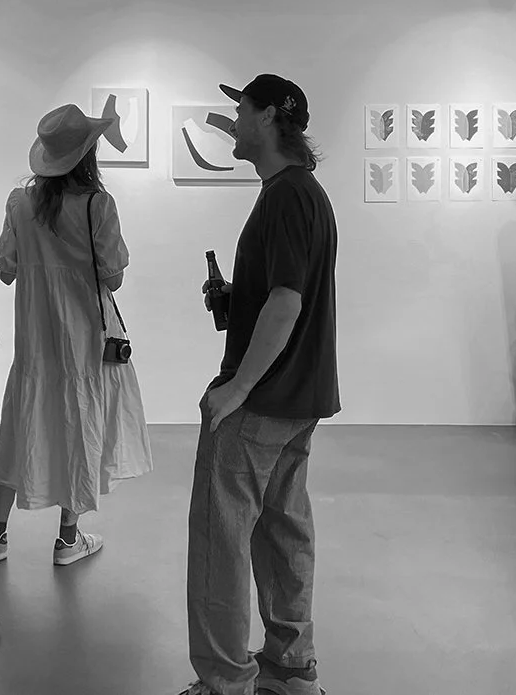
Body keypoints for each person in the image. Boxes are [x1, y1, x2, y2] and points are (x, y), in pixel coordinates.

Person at [179, 74, 338, 695]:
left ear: (270, 115)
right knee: (282, 529)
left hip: (262, 399)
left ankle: (224, 680)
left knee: (222, 543)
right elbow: (276, 296)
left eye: (240, 110)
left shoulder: (285, 195)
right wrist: (232, 302)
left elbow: (287, 300)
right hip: (299, 395)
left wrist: (237, 388)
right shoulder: (300, 192)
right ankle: (289, 664)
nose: (234, 122)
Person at [0, 102, 153, 566]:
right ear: (87, 155)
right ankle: (67, 538)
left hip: (36, 340)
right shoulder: (99, 205)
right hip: (85, 341)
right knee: (80, 423)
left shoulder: (21, 204)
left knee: (22, 424)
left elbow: (4, 269)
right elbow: (114, 276)